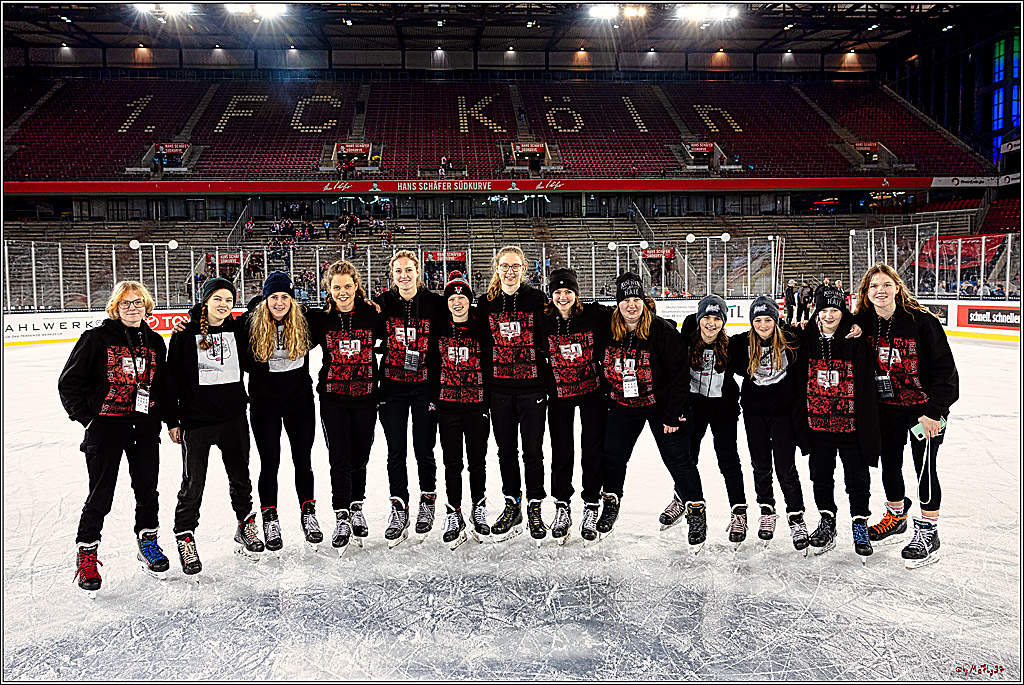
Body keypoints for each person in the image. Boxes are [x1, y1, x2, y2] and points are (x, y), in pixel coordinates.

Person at [58, 281, 170, 595]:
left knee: (148, 490)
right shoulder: (95, 339)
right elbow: (69, 384)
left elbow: (161, 386)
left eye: (137, 303)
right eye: (125, 303)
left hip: (144, 428)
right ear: (115, 307)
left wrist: (162, 417)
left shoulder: (155, 342)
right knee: (101, 495)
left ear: (146, 306)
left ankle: (148, 543)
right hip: (105, 428)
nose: (132, 308)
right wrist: (88, 419)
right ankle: (87, 555)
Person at [854, 264, 959, 569]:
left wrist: (933, 413)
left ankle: (928, 532)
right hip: (886, 410)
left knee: (924, 468)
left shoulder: (922, 323)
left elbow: (946, 372)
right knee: (890, 464)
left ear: (898, 288)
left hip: (922, 412)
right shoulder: (863, 322)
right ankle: (896, 516)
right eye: (874, 286)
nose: (881, 291)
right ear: (866, 293)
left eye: (887, 285)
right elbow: (828, 326)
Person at [599, 274, 706, 550]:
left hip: (661, 407)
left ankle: (695, 510)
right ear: (618, 304)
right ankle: (610, 503)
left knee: (679, 461)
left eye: (636, 300)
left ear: (644, 301)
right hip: (623, 405)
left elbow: (679, 376)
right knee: (612, 457)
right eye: (625, 300)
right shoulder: (608, 328)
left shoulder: (661, 331)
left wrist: (673, 414)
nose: (631, 306)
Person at [166, 277, 264, 576]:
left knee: (240, 477)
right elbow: (172, 380)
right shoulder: (185, 334)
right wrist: (172, 420)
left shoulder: (237, 329)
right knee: (193, 483)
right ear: (206, 300)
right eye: (218, 299)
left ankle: (245, 526)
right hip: (196, 422)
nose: (223, 305)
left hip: (233, 417)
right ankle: (185, 535)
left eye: (228, 300)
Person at [793, 287, 880, 560]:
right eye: (824, 310)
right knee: (820, 476)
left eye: (835, 310)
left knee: (856, 479)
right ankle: (827, 520)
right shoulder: (806, 339)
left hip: (851, 426)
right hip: (818, 426)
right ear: (816, 311)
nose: (829, 316)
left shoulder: (856, 339)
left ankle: (859, 523)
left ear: (843, 312)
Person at [245, 272, 323, 554]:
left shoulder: (306, 322)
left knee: (303, 460)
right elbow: (215, 323)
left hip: (299, 403)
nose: (279, 303)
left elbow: (336, 311)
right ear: (265, 300)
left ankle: (308, 513)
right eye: (274, 297)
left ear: (293, 299)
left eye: (285, 297)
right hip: (264, 406)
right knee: (270, 463)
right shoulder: (250, 326)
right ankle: (270, 518)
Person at [475, 245, 549, 542]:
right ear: (497, 268)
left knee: (532, 452)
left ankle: (534, 506)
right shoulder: (486, 303)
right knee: (506, 451)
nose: (509, 271)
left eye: (515, 266)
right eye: (504, 266)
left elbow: (549, 336)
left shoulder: (536, 299)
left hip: (532, 389)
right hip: (499, 391)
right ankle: (512, 503)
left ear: (523, 269)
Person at [308, 260, 381, 554]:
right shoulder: (320, 319)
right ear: (329, 288)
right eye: (336, 287)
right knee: (340, 457)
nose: (342, 292)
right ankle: (341, 515)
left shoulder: (371, 315)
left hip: (366, 397)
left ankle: (356, 507)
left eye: (347, 286)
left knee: (360, 456)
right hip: (334, 399)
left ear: (356, 286)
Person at [376, 250, 445, 546]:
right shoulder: (383, 303)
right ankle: (399, 506)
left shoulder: (435, 303)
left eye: (408, 270)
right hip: (391, 386)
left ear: (418, 272)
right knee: (395, 450)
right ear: (392, 275)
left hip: (425, 387)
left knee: (423, 447)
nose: (403, 275)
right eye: (398, 271)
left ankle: (427, 499)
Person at [537, 268, 611, 544]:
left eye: (568, 292)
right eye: (558, 292)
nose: (563, 297)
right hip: (559, 395)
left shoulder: (592, 315)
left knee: (592, 450)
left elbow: (624, 315)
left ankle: (591, 504)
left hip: (592, 393)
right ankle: (562, 505)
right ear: (551, 295)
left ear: (576, 294)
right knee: (562, 451)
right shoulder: (543, 320)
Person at [729, 295, 809, 551]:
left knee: (786, 469)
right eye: (758, 320)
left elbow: (823, 331)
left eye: (768, 319)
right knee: (760, 465)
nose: (763, 325)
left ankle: (796, 516)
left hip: (784, 415)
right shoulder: (741, 344)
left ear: (776, 320)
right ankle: (767, 509)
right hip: (754, 414)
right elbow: (706, 339)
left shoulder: (791, 339)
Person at [677, 295, 748, 548]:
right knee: (687, 457)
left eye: (717, 318)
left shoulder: (733, 346)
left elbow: (769, 334)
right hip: (694, 410)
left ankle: (739, 512)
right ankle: (681, 498)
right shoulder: (684, 341)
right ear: (698, 320)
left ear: (724, 322)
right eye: (706, 317)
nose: (711, 323)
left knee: (728, 460)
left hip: (723, 412)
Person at [433, 271, 491, 549]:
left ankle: (478, 507)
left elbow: (492, 364)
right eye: (452, 298)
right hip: (448, 406)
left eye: (462, 297)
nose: (457, 302)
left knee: (477, 461)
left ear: (470, 300)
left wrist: (487, 398)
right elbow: (431, 365)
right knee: (452, 462)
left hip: (476, 404)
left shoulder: (481, 328)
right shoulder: (439, 328)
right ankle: (453, 511)